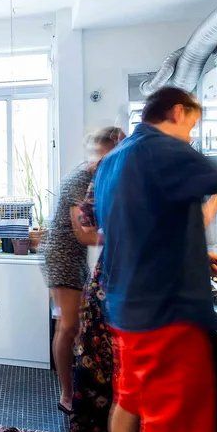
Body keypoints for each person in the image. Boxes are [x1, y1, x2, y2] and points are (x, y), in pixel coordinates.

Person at [93, 87, 217, 432]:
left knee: (129, 402)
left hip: (127, 306)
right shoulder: (163, 149)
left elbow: (144, 227)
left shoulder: (114, 160)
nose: (192, 138)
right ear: (178, 112)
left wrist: (194, 255)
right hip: (167, 315)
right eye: (192, 126)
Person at [44, 126, 125, 412]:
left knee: (68, 326)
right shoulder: (83, 180)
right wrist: (126, 235)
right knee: (69, 326)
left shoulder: (89, 173)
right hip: (63, 256)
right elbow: (84, 234)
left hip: (69, 256)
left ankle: (73, 391)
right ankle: (67, 395)